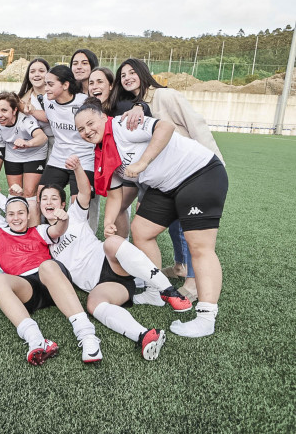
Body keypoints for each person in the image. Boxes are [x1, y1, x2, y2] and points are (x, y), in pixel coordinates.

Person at [75, 97, 228, 338]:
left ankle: (206, 317)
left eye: (90, 123)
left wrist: (143, 161)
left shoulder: (122, 125)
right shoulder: (103, 152)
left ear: (104, 117)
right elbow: (115, 196)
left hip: (199, 173)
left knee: (200, 246)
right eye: (81, 129)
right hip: (166, 185)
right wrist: (108, 221)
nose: (87, 131)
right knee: (142, 231)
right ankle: (156, 291)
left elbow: (165, 127)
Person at [42, 155, 191, 360]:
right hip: (100, 285)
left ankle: (166, 289)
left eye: (53, 198)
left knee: (111, 242)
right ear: (39, 205)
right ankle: (144, 335)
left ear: (64, 202)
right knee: (93, 305)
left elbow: (85, 192)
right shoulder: (41, 235)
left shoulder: (74, 215)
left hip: (111, 262)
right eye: (44, 199)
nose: (49, 202)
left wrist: (77, 168)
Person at [111, 58, 226, 302]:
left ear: (144, 73)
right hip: (162, 178)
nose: (127, 77)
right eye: (123, 75)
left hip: (190, 171)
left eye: (132, 72)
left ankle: (194, 283)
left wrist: (215, 160)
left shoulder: (165, 96)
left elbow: (196, 125)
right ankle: (179, 266)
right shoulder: (134, 105)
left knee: (189, 229)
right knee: (169, 225)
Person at [0, 197, 103, 364]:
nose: (16, 218)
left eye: (20, 213)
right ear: (6, 217)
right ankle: (36, 340)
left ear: (28, 215)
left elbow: (57, 231)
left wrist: (63, 220)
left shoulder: (39, 230)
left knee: (47, 265)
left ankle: (87, 335)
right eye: (11, 214)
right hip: (27, 287)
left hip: (51, 279)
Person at [35, 65, 100, 233]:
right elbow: (49, 118)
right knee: (41, 196)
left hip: (84, 159)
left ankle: (77, 239)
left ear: (65, 85)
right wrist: (28, 110)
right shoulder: (48, 102)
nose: (46, 88)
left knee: (77, 205)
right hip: (58, 158)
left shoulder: (83, 101)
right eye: (45, 84)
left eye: (50, 84)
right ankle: (43, 235)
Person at [0, 92, 47, 223]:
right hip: (13, 153)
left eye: (4, 110)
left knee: (29, 192)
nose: (0, 115)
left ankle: (34, 228)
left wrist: (27, 143)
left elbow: (42, 137)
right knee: (15, 191)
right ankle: (15, 225)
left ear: (15, 110)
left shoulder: (24, 121)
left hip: (34, 152)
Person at [18, 58, 54, 161]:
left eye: (41, 71)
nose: (37, 74)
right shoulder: (23, 100)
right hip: (37, 146)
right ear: (28, 76)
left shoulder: (57, 94)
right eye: (32, 71)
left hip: (59, 143)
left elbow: (50, 116)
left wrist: (33, 111)